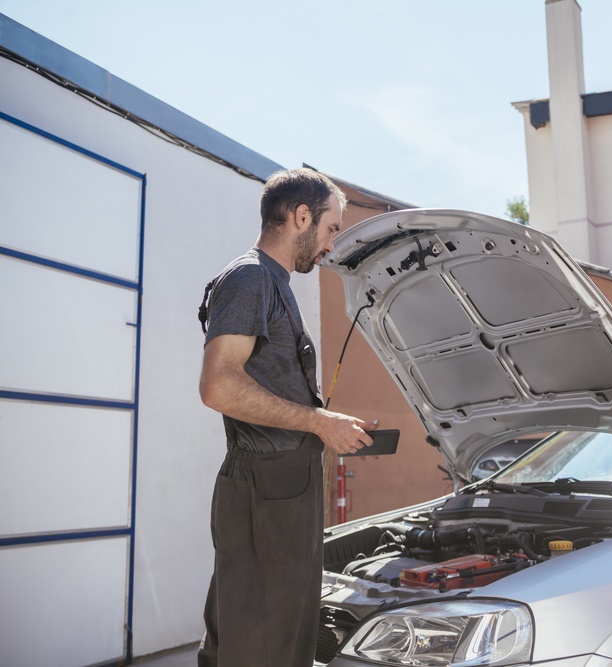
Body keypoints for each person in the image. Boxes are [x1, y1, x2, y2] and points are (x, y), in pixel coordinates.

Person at [196, 168, 377, 667]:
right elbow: (218, 385)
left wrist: (328, 419)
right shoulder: (251, 277)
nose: (331, 244)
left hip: (283, 490)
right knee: (258, 645)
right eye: (331, 228)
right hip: (263, 490)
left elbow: (272, 383)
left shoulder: (272, 282)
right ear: (302, 216)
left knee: (282, 638)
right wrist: (319, 423)